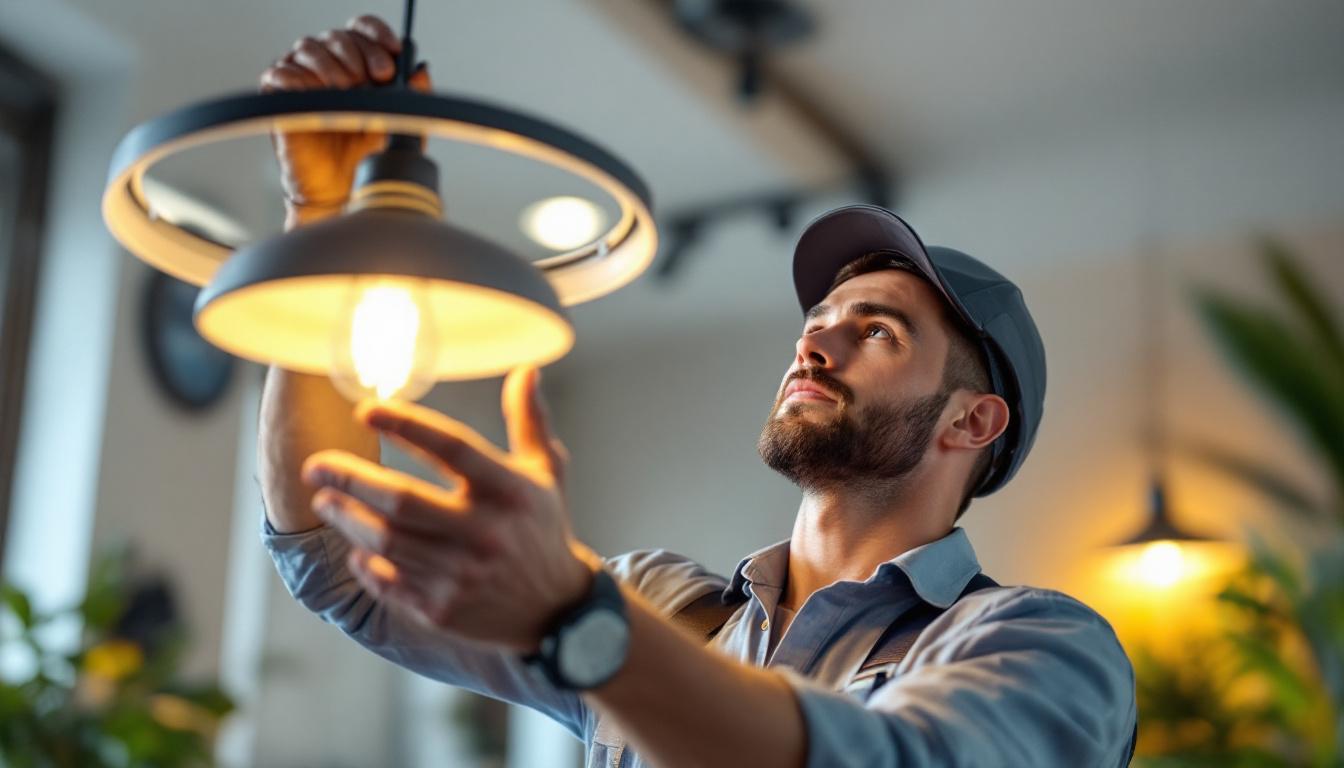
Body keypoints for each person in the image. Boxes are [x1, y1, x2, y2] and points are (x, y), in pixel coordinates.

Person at [258, 14, 1138, 767]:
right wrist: (320, 216)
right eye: (819, 317)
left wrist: (582, 624)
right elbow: (337, 564)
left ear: (972, 420)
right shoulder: (658, 607)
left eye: (876, 330)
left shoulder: (1043, 649)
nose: (815, 338)